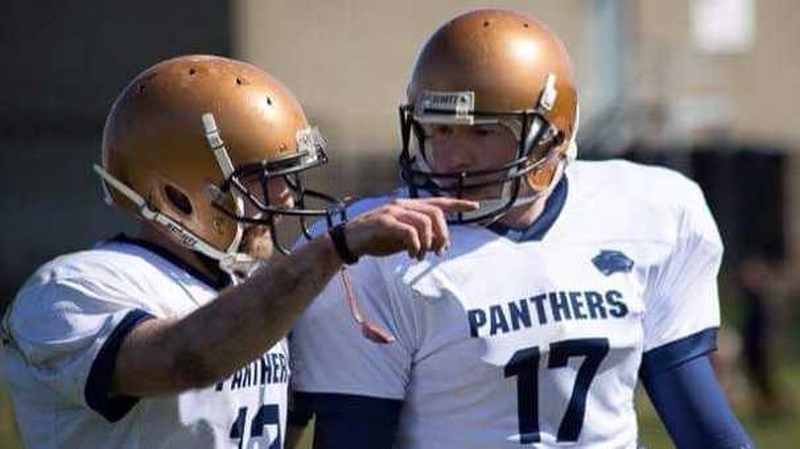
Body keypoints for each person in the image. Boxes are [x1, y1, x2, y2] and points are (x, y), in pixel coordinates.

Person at [289, 9, 754, 448]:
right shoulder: (375, 250)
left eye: (482, 132)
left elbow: (702, 424)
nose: (452, 158)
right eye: (440, 131)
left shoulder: (652, 212)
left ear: (554, 135)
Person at [0, 55, 476, 449]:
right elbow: (185, 359)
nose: (285, 197)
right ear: (177, 193)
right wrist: (334, 249)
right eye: (259, 179)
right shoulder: (70, 289)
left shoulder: (250, 289)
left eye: (287, 176)